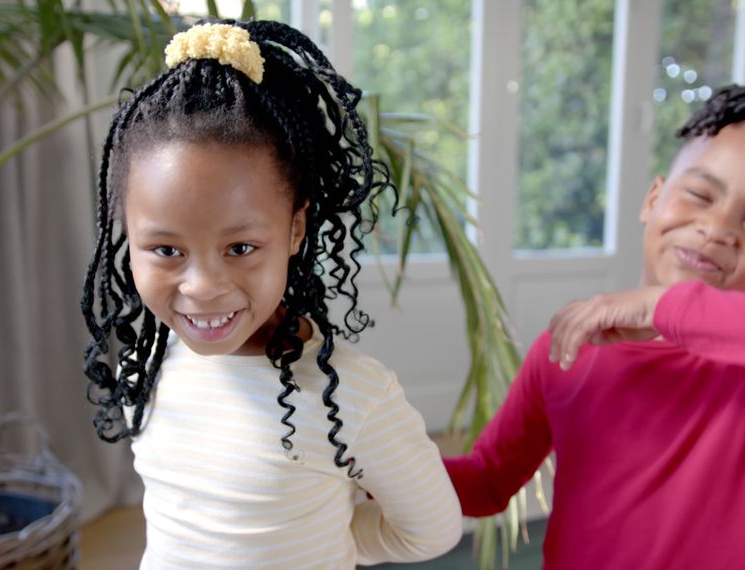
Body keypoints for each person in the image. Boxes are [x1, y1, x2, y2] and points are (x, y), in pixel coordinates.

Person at [79, 20, 461, 569]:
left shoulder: (353, 398)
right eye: (166, 250)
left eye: (239, 248)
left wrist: (333, 544)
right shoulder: (147, 364)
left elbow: (431, 529)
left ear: (294, 231)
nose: (203, 287)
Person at [444, 85, 745, 570]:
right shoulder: (564, 348)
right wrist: (366, 466)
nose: (717, 230)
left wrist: (672, 307)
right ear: (653, 198)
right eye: (699, 195)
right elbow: (486, 482)